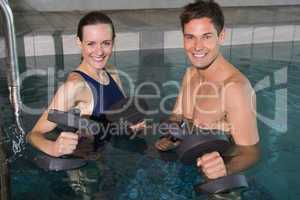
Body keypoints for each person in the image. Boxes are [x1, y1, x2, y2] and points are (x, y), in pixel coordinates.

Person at [155, 0, 260, 181]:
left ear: (221, 36)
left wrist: (224, 170)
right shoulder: (190, 74)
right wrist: (171, 137)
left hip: (219, 180)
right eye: (190, 37)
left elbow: (251, 152)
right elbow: (176, 116)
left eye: (206, 36)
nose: (197, 47)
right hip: (188, 162)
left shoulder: (235, 89)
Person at [27, 11, 143, 157]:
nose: (99, 51)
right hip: (86, 167)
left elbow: (118, 115)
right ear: (79, 42)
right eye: (91, 43)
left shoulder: (111, 71)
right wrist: (53, 148)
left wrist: (131, 125)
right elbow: (33, 134)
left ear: (113, 41)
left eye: (106, 43)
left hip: (108, 155)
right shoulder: (75, 86)